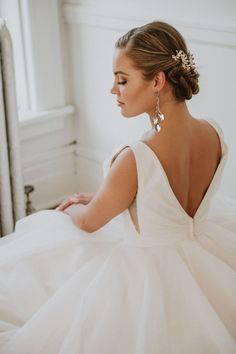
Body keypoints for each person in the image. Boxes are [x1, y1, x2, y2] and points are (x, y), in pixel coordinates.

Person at [0, 21, 235, 354]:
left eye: (122, 80)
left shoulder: (137, 156)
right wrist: (103, 196)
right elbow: (163, 202)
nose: (113, 91)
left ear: (157, 81)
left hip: (149, 278)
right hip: (204, 256)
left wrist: (73, 208)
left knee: (52, 234)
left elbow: (89, 222)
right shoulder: (213, 133)